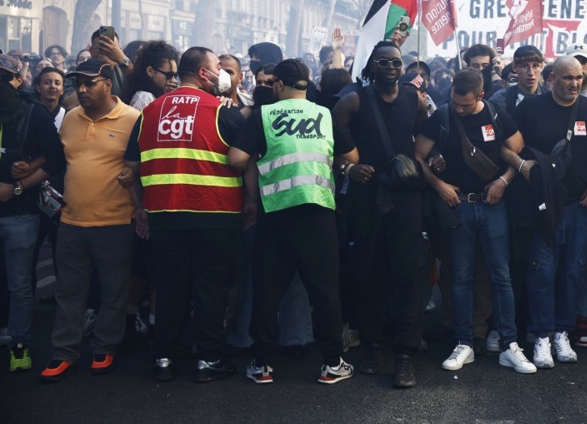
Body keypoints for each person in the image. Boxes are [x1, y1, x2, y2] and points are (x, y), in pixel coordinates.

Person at [227, 59, 356, 386]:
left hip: (277, 215)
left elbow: (236, 159)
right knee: (326, 293)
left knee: (267, 293)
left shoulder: (264, 115)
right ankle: (332, 364)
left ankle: (261, 365)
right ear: (307, 84)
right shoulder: (324, 115)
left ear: (279, 85)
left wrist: (260, 157)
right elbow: (352, 157)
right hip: (318, 213)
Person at [124, 47, 246, 383]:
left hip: (165, 215)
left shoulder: (150, 112)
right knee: (211, 288)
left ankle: (163, 357)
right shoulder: (222, 111)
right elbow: (246, 158)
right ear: (204, 74)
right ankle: (208, 358)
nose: (222, 72)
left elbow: (131, 167)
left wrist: (141, 206)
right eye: (217, 67)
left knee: (169, 286)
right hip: (216, 215)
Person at [414, 68, 537, 374]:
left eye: (466, 105)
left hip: (493, 205)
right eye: (456, 102)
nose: (459, 109)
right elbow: (416, 156)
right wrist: (438, 185)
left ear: (480, 96)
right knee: (461, 276)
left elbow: (518, 154)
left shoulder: (496, 114)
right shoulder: (442, 116)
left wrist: (504, 182)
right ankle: (463, 342)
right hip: (459, 206)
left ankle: (510, 345)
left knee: (501, 275)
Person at [333, 40, 430, 388]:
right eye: (383, 62)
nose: (391, 67)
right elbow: (329, 143)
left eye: (396, 62)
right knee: (368, 272)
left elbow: (424, 138)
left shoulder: (414, 100)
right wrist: (348, 169)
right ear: (371, 66)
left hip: (404, 198)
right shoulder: (354, 101)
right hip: (367, 197)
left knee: (408, 274)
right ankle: (372, 346)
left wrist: (429, 163)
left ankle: (404, 354)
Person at [39, 60, 141, 381]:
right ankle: (63, 352)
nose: (81, 90)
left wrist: (133, 172)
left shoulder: (133, 119)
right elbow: (58, 160)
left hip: (115, 222)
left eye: (89, 83)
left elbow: (143, 161)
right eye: (78, 84)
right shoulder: (70, 118)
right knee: (68, 291)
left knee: (113, 291)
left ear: (108, 85)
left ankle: (105, 347)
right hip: (71, 221)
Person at [511, 56, 587, 368]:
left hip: (579, 206)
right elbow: (506, 146)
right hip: (542, 207)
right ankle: (540, 336)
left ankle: (561, 333)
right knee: (542, 270)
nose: (574, 84)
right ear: (552, 78)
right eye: (567, 78)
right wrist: (521, 165)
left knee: (572, 271)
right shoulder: (529, 108)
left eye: (579, 78)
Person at [0, 54, 64, 372]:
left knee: (20, 283)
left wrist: (19, 184)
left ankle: (19, 343)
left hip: (20, 213)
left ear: (19, 80)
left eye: (6, 77)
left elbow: (54, 159)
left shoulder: (33, 115)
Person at [489, 45, 546, 114]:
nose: (531, 73)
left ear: (542, 67)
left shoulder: (550, 98)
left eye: (535, 66)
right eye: (524, 66)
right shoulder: (501, 99)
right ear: (514, 67)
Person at [125, 41, 179, 111]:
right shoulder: (144, 98)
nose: (173, 80)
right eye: (169, 75)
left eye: (175, 75)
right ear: (150, 71)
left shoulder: (161, 93)